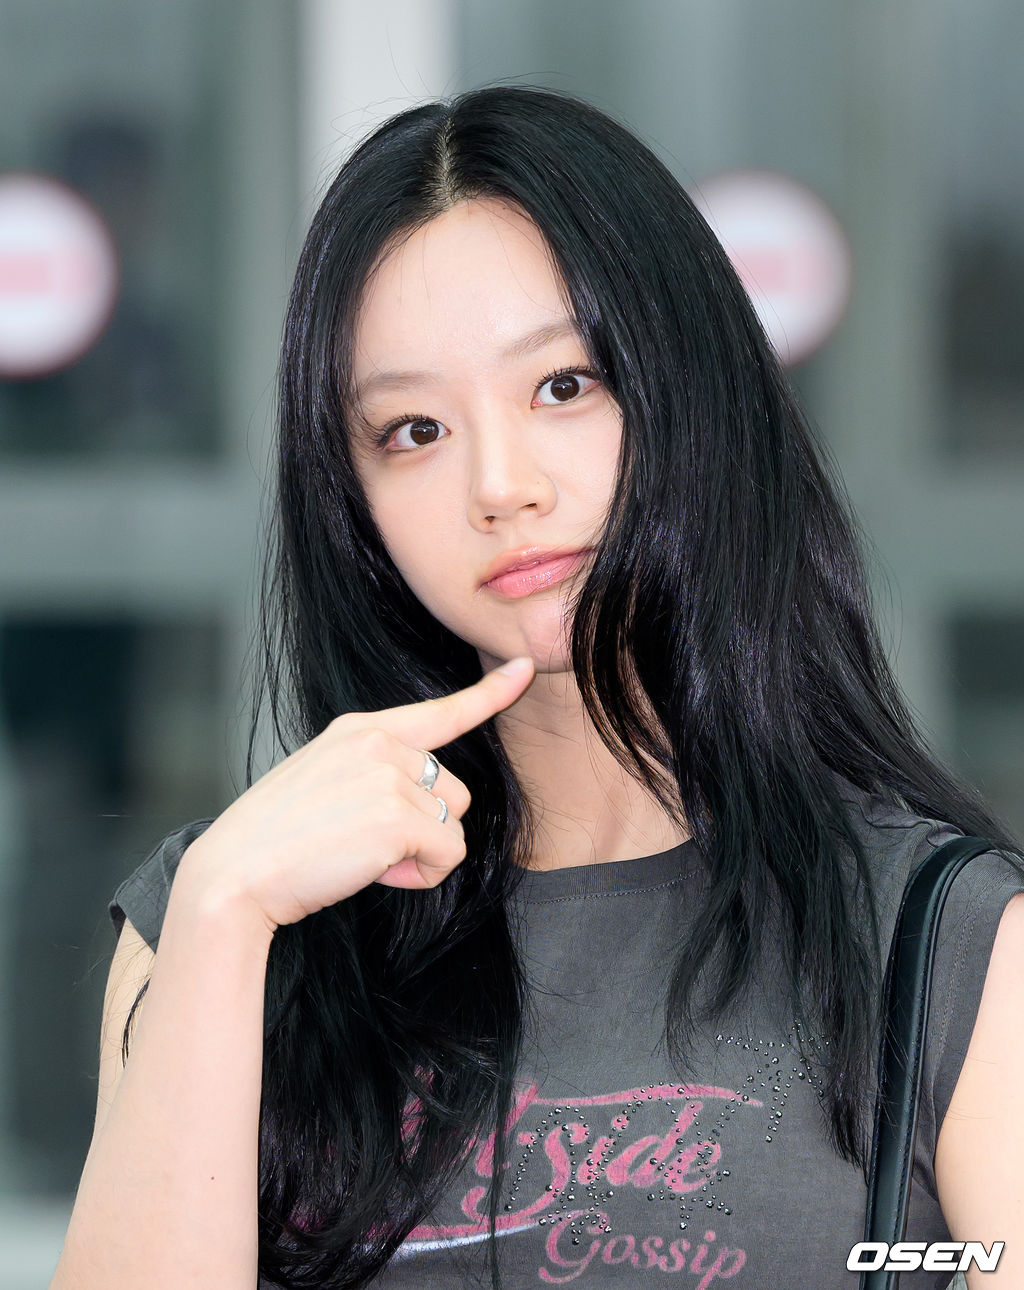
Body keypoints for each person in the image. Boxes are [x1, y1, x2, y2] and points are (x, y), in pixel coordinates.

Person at [52, 85, 1024, 1290]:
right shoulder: (224, 918)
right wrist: (221, 917)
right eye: (413, 430)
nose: (499, 486)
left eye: (562, 386)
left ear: (690, 389)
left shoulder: (946, 945)